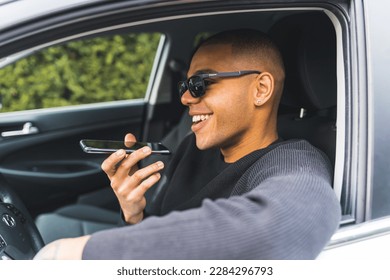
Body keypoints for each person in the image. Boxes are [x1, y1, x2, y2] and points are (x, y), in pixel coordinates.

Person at [34, 29, 341, 260]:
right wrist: (134, 215)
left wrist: (80, 254)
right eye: (186, 85)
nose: (185, 98)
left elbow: (280, 229)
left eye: (201, 83)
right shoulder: (192, 148)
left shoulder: (296, 164)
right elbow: (165, 230)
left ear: (261, 89)